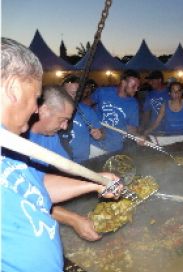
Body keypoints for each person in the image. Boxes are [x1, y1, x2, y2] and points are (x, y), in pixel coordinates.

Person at [0, 37, 119, 271]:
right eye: (35, 98)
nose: (35, 108)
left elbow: (34, 187)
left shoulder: (10, 146)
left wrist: (97, 182)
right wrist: (74, 218)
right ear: (13, 89)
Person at [27, 85, 102, 242]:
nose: (65, 127)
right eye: (63, 120)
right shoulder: (17, 139)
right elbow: (29, 195)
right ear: (44, 110)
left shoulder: (50, 136)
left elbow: (67, 167)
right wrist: (73, 219)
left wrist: (99, 179)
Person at [90, 69, 141, 152]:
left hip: (114, 147)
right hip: (94, 144)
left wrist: (138, 136)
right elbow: (85, 105)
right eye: (133, 86)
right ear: (123, 83)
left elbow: (132, 127)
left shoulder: (133, 104)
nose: (136, 89)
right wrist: (90, 117)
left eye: (137, 87)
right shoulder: (102, 92)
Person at [59, 75, 104, 162]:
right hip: (59, 162)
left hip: (82, 163)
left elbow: (102, 133)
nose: (70, 96)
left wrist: (100, 135)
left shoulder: (86, 111)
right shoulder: (52, 111)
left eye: (75, 93)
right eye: (66, 93)